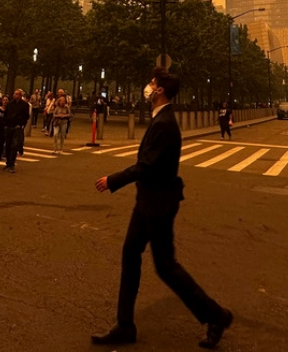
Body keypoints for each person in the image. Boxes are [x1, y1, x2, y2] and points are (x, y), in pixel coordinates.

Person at [93, 67, 233, 349]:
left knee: (166, 267)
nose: (148, 86)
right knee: (131, 255)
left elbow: (147, 165)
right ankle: (125, 325)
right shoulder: (161, 119)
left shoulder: (166, 124)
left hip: (157, 205)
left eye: (152, 83)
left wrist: (113, 180)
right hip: (148, 202)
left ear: (159, 91)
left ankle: (216, 315)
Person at [4, 89, 31, 173]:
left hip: (17, 127)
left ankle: (12, 163)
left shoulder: (24, 105)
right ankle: (8, 162)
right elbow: (6, 114)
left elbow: (26, 116)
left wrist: (21, 124)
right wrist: (5, 124)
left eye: (17, 94)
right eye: (14, 94)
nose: (15, 95)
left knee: (14, 146)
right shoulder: (10, 104)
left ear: (20, 95)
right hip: (9, 126)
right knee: (7, 145)